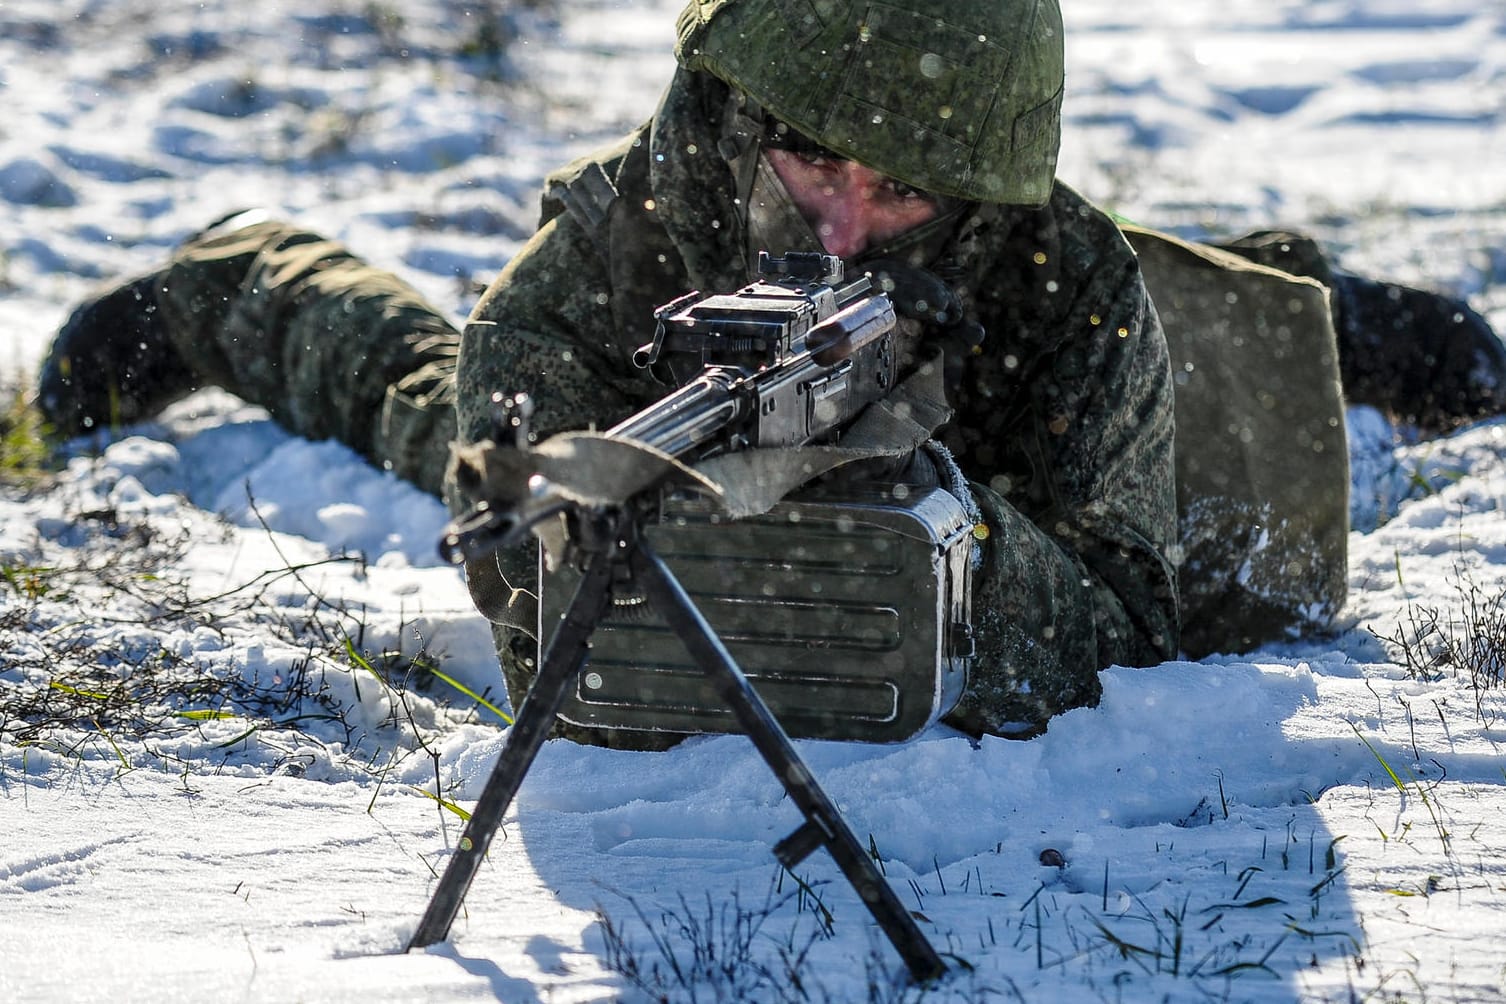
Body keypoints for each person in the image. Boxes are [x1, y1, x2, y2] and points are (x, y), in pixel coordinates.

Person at [36, 0, 1506, 744]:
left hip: (1005, 434)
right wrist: (644, 493)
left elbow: (1127, 607)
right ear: (738, 118)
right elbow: (512, 529)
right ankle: (235, 279)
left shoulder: (1057, 271)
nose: (849, 225)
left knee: (1229, 370)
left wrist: (936, 529)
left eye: (907, 192)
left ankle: (1297, 285)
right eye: (812, 160)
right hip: (649, 406)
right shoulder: (621, 230)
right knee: (433, 411)